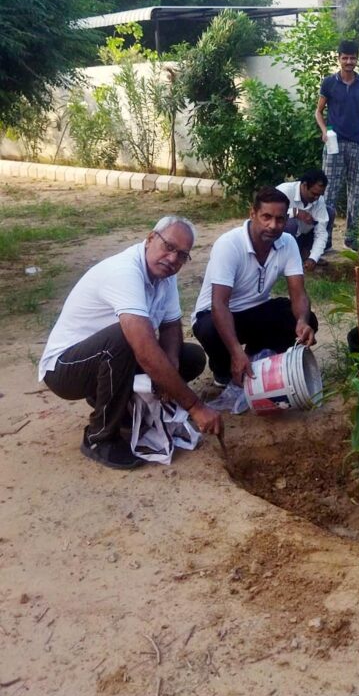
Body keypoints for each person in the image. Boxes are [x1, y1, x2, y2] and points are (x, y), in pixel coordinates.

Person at [39, 216, 220, 471]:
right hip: (65, 369)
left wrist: (171, 365)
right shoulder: (125, 271)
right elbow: (143, 348)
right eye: (168, 247)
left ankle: (121, 409)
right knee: (126, 338)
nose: (172, 259)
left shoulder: (166, 276)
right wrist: (195, 406)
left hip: (106, 359)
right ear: (149, 239)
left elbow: (170, 326)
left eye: (182, 255)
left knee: (190, 357)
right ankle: (99, 437)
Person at [192, 187, 318, 388]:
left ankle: (255, 357)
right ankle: (223, 370)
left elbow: (298, 293)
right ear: (252, 214)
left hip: (255, 310)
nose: (273, 225)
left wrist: (302, 322)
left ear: (286, 219)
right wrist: (235, 351)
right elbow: (219, 305)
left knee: (306, 318)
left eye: (279, 219)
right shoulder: (229, 244)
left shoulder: (288, 242)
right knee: (209, 329)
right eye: (266, 217)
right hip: (218, 314)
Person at [315, 39, 359, 250]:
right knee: (330, 192)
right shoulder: (329, 83)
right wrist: (325, 131)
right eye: (345, 58)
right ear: (339, 58)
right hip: (335, 144)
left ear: (357, 59)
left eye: (353, 58)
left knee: (355, 193)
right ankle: (324, 241)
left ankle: (351, 239)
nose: (349, 61)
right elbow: (318, 111)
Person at [276, 169, 335, 272]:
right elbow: (271, 214)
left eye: (319, 195)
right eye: (314, 194)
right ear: (304, 185)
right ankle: (286, 258)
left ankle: (307, 254)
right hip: (282, 238)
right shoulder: (284, 191)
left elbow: (321, 232)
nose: (316, 198)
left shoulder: (318, 200)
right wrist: (295, 212)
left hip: (305, 235)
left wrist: (313, 258)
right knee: (289, 223)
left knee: (329, 212)